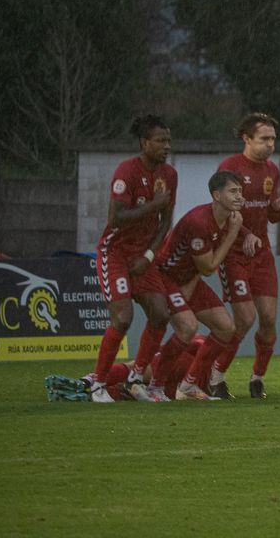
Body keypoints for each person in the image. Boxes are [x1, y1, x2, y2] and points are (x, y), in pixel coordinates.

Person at [86, 115, 178, 403]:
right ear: (144, 142)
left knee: (161, 314)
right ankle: (98, 384)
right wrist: (154, 204)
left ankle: (135, 379)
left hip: (143, 256)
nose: (167, 146)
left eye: (169, 141)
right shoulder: (126, 171)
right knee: (123, 318)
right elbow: (116, 218)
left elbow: (165, 221)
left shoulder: (170, 175)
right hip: (114, 253)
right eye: (161, 141)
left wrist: (149, 255)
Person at [211, 112, 280, 399]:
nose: (270, 145)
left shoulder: (271, 170)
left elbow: (270, 214)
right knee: (244, 318)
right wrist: (246, 234)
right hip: (233, 251)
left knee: (268, 319)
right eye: (264, 139)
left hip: (261, 253)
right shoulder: (230, 167)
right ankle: (216, 376)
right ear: (247, 139)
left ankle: (257, 378)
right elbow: (224, 209)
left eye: (273, 139)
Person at [148, 170, 245, 401]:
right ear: (216, 195)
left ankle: (189, 385)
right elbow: (208, 267)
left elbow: (200, 266)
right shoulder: (200, 222)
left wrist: (245, 234)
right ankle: (155, 387)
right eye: (233, 191)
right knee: (187, 328)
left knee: (226, 328)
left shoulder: (228, 217)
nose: (239, 196)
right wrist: (233, 234)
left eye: (240, 191)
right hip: (166, 275)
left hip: (189, 277)